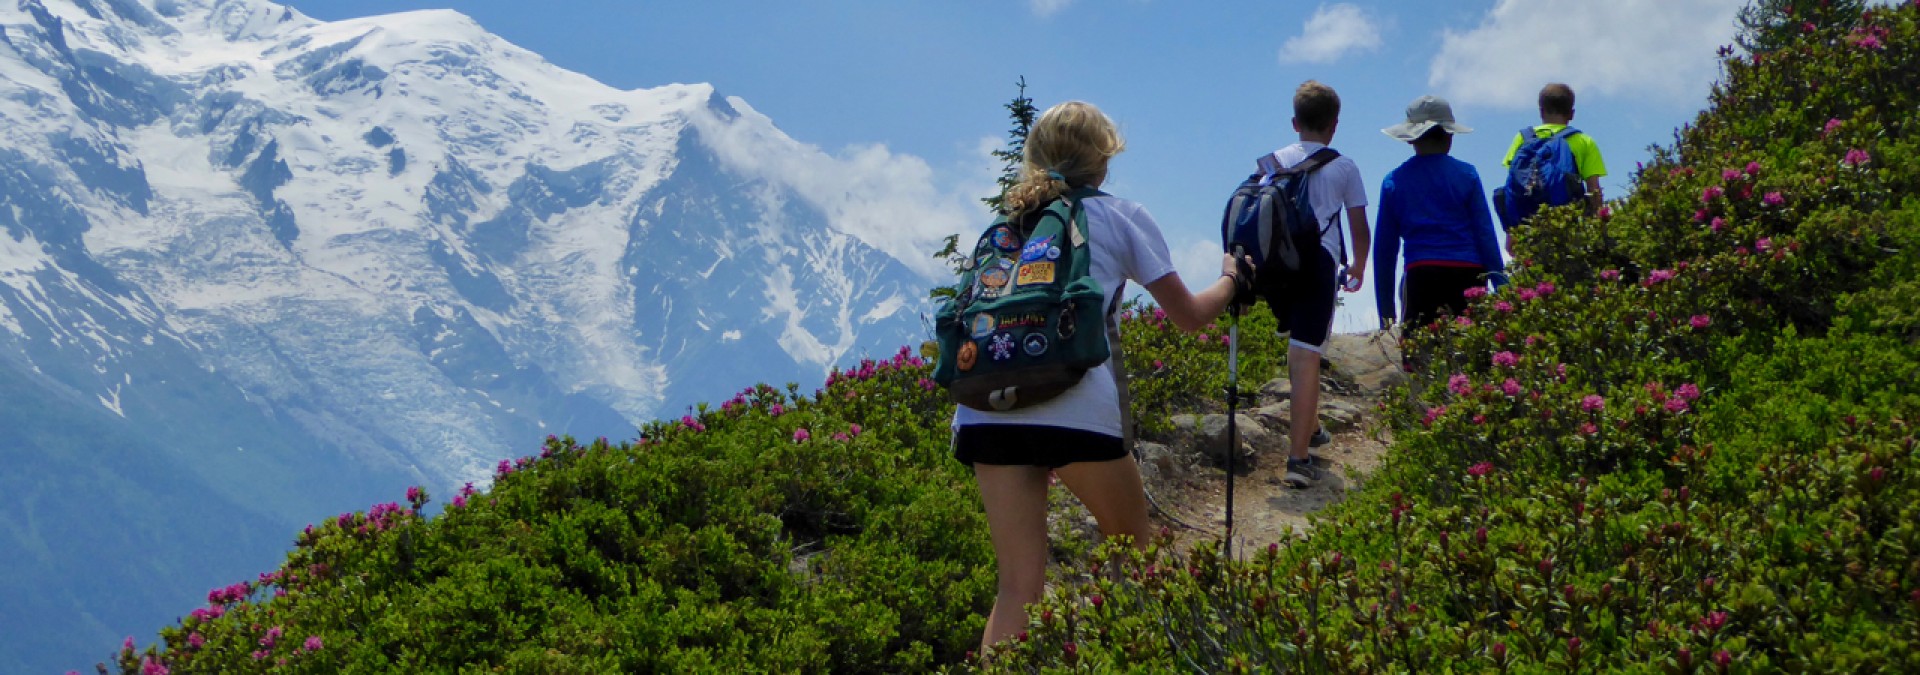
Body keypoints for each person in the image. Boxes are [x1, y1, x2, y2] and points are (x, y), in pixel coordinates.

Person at [953, 101, 1250, 654]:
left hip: (985, 409)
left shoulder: (1005, 223)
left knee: (1017, 586)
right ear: (1104, 161)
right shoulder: (1121, 216)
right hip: (1076, 412)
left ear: (1035, 158)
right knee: (1135, 557)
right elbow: (1187, 318)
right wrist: (1231, 279)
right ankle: (1124, 657)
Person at [1256, 80, 1371, 490]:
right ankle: (1298, 458)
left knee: (1296, 352)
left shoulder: (1271, 162)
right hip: (1317, 264)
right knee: (1306, 356)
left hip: (1276, 267)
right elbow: (1359, 226)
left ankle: (1313, 427)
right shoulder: (1344, 167)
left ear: (1294, 122)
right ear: (1334, 126)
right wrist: (1358, 265)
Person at [1374, 95, 1506, 330]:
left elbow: (1385, 250)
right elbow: (1485, 235)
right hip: (1470, 275)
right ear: (1450, 135)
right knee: (1472, 354)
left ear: (1410, 140)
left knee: (1420, 355)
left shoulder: (1394, 181)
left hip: (1421, 273)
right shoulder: (1467, 175)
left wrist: (1385, 310)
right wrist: (1502, 286)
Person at [1502, 83, 1608, 219]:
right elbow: (1594, 190)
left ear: (1541, 111)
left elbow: (1513, 185)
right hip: (1567, 224)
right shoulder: (1584, 141)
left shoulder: (1522, 138)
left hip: (1527, 224)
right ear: (1572, 114)